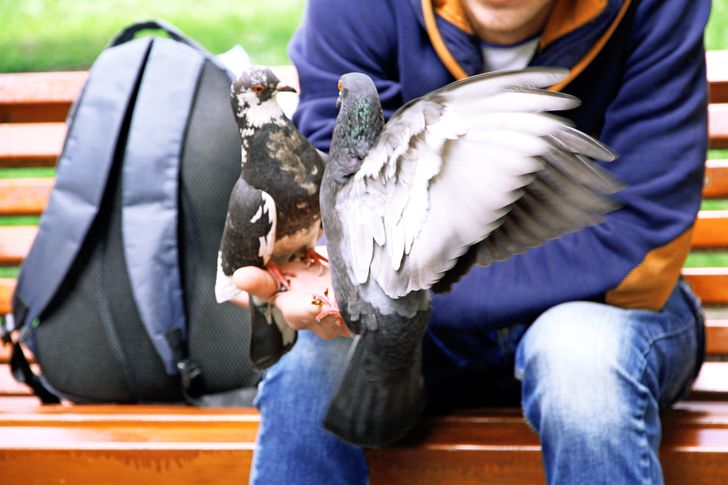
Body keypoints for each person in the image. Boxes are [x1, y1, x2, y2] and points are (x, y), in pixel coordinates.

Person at [232, 0, 710, 483]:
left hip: (602, 307)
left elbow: (639, 235)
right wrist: (332, 271)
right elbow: (340, 181)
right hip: (415, 315)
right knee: (311, 362)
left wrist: (380, 287)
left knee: (581, 363)